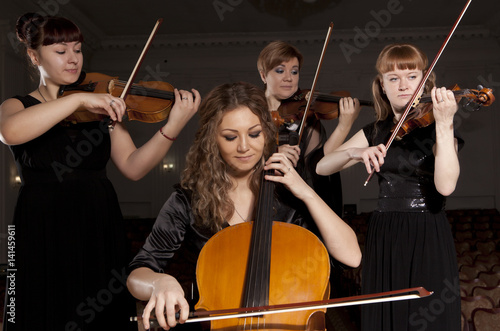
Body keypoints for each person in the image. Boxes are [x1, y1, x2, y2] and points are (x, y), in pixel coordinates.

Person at [0, 13, 200, 330]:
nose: (73, 59)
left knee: (101, 312)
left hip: (97, 220)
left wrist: (174, 124)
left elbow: (133, 167)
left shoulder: (101, 107)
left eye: (77, 49)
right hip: (40, 223)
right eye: (61, 51)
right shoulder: (17, 105)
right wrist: (82, 98)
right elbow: (10, 132)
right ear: (34, 55)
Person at [127, 81, 362, 330]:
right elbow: (137, 274)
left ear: (267, 133)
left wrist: (306, 192)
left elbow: (352, 257)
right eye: (230, 137)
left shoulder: (288, 192)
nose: (244, 147)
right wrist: (159, 283)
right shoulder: (188, 200)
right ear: (211, 139)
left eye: (254, 134)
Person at [316, 43, 462, 330]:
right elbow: (322, 167)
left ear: (425, 82)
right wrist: (354, 153)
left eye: (411, 76)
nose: (403, 85)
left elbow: (445, 187)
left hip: (428, 231)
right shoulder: (375, 131)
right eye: (393, 78)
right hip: (386, 233)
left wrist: (445, 125)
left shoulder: (437, 127)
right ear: (382, 86)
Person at [256, 41, 362, 219]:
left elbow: (320, 165)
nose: (289, 78)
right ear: (263, 75)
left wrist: (345, 125)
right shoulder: (250, 114)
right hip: (258, 202)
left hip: (296, 209)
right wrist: (271, 154)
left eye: (294, 71)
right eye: (280, 70)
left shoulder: (305, 116)